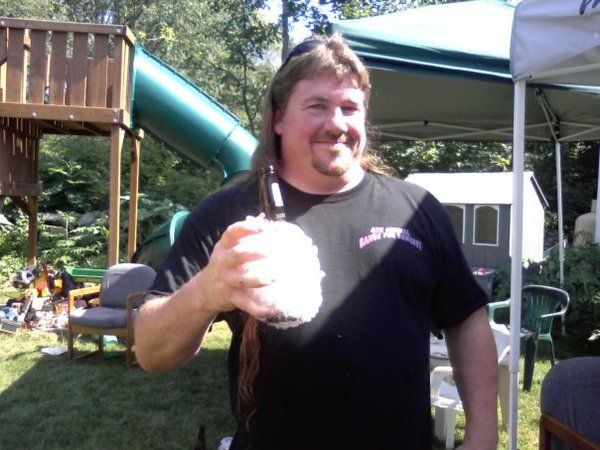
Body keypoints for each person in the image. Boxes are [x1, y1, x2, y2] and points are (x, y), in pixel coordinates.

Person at [135, 34, 499, 450]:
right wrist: (207, 291)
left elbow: (466, 320)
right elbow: (150, 350)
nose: (337, 123)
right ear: (278, 119)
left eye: (350, 108)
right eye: (317, 106)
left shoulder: (417, 209)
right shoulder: (229, 214)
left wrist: (483, 434)